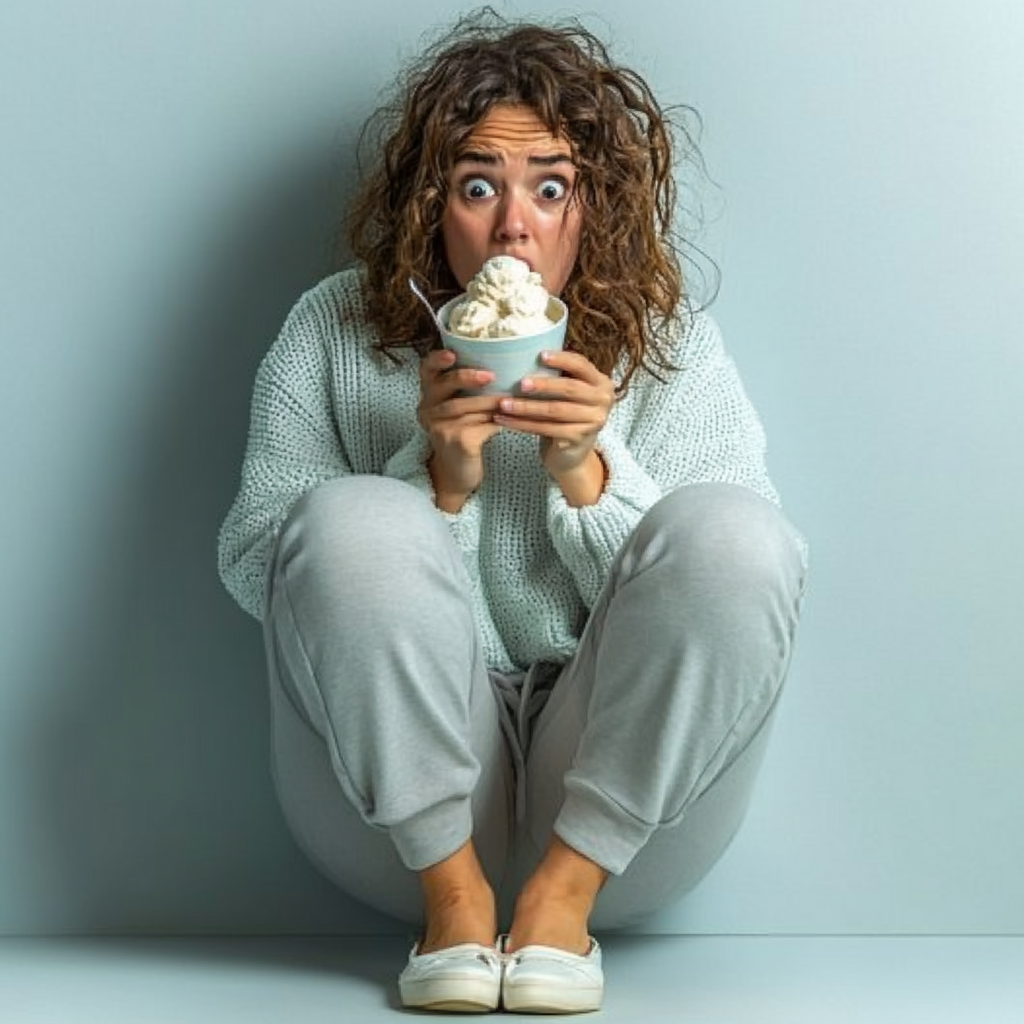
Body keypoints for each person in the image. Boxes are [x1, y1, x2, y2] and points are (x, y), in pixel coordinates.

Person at [217, 10, 807, 1014]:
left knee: (737, 533)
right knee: (353, 514)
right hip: (399, 819)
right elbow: (258, 563)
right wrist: (435, 479)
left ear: (595, 204)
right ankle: (455, 909)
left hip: (626, 814)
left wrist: (586, 469)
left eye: (552, 187)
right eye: (477, 184)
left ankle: (558, 902)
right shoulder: (333, 327)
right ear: (428, 204)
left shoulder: (668, 343)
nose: (513, 227)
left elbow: (742, 589)